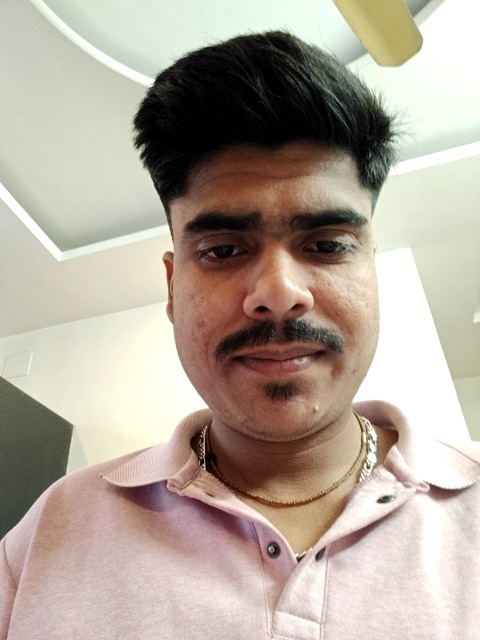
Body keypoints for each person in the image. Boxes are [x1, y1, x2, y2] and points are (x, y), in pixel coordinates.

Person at [1, 31, 479, 639]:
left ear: (371, 269)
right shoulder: (49, 531)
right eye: (223, 250)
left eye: (327, 245)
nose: (278, 293)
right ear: (172, 288)